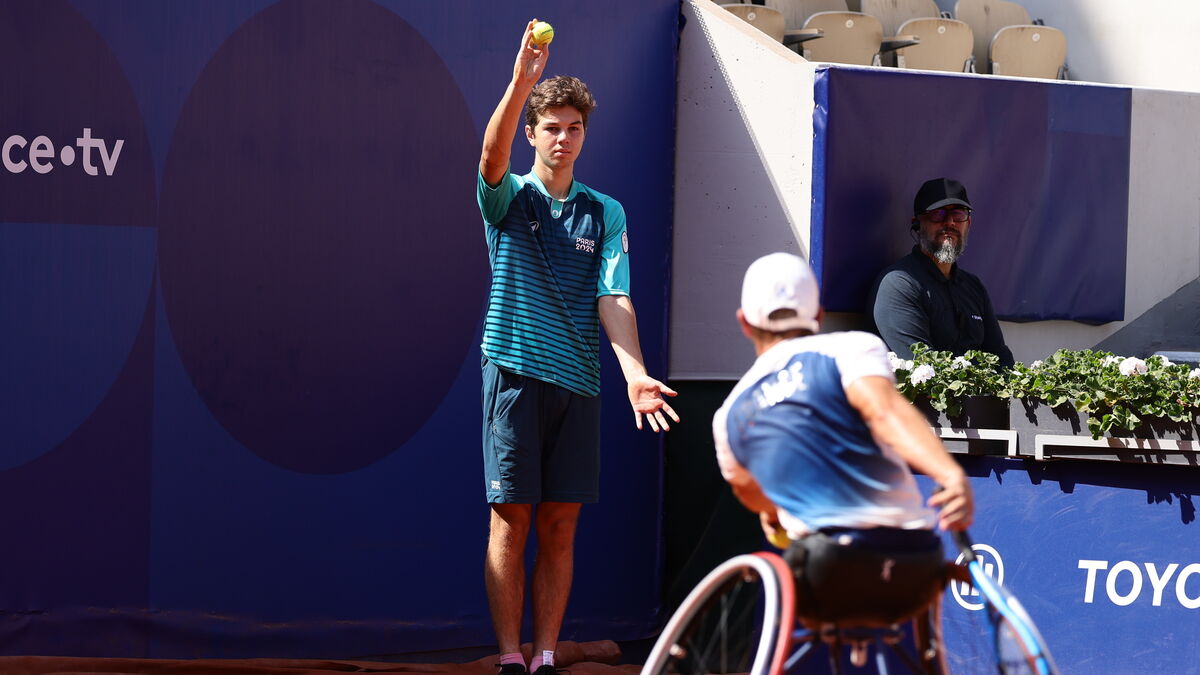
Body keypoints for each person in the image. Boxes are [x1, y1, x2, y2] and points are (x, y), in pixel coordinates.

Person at [477, 20, 680, 675]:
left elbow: (614, 299)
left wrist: (635, 374)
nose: (564, 138)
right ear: (532, 133)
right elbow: (488, 158)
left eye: (575, 127)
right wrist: (519, 85)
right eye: (552, 127)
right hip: (513, 373)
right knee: (511, 522)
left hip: (582, 385)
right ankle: (510, 654)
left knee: (560, 525)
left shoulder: (606, 213)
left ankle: (543, 655)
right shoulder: (507, 198)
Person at [714, 252, 974, 629]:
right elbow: (883, 412)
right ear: (817, 315)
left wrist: (773, 515)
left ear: (744, 323)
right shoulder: (851, 348)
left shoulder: (729, 415)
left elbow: (750, 490)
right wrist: (949, 473)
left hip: (822, 577)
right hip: (914, 568)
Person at [869, 178, 1014, 366]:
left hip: (980, 396)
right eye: (938, 214)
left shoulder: (974, 287)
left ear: (968, 223)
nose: (950, 222)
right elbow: (922, 368)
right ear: (917, 223)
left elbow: (1000, 357)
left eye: (958, 214)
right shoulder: (898, 284)